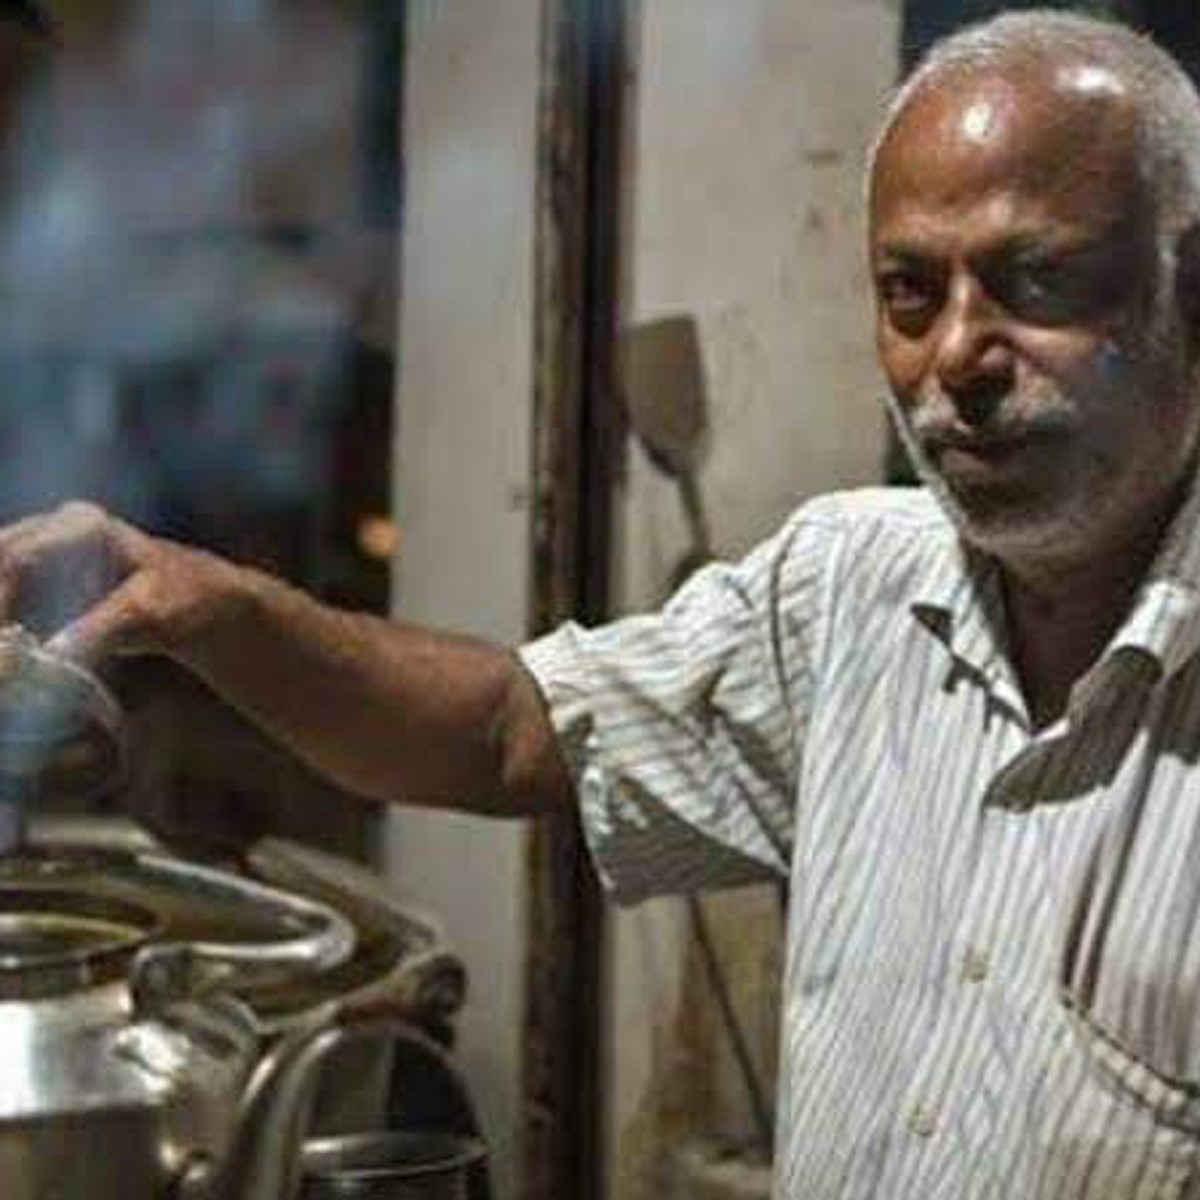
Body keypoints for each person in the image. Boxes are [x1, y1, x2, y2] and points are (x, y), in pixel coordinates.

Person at [4, 7, 1200, 1197]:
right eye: (908, 292)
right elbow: (508, 729)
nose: (958, 353)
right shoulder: (849, 588)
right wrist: (204, 607)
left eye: (1036, 279)